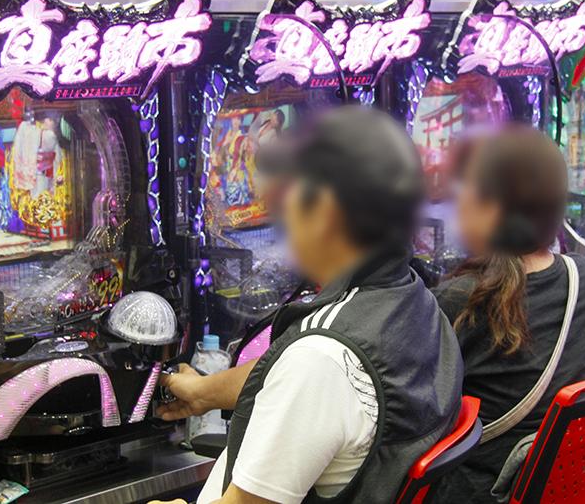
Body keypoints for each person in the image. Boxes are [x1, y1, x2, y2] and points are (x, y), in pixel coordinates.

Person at [151, 106, 463, 504]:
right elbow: (290, 380)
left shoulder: (322, 358)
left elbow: (313, 378)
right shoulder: (415, 302)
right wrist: (204, 392)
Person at [430, 125, 585, 503]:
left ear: (492, 208)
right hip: (562, 484)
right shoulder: (582, 275)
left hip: (482, 490)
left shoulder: (462, 298)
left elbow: (411, 416)